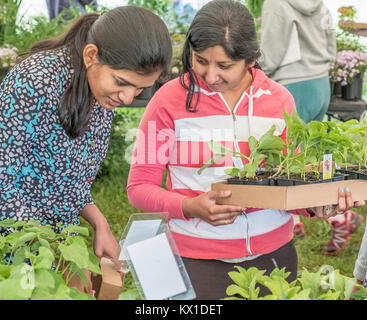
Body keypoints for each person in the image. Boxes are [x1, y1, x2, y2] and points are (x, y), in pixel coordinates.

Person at [126, 0, 364, 300]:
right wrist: (190, 207)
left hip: (273, 261)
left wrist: (317, 205)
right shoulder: (166, 101)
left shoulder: (279, 101)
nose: (210, 76)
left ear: (250, 59)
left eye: (224, 66)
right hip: (194, 262)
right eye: (200, 61)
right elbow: (139, 187)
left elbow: (290, 185)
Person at [0, 6, 172, 274]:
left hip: (55, 241)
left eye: (138, 89)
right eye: (122, 82)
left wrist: (99, 222)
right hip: (11, 244)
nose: (127, 98)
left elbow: (70, 179)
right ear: (91, 55)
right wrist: (51, 250)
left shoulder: (100, 92)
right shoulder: (34, 81)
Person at [260, 0, 364, 252]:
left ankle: (339, 217)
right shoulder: (319, 4)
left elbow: (270, 53)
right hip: (319, 84)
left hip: (291, 84)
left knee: (285, 161)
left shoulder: (276, 4)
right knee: (304, 161)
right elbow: (331, 48)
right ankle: (297, 219)